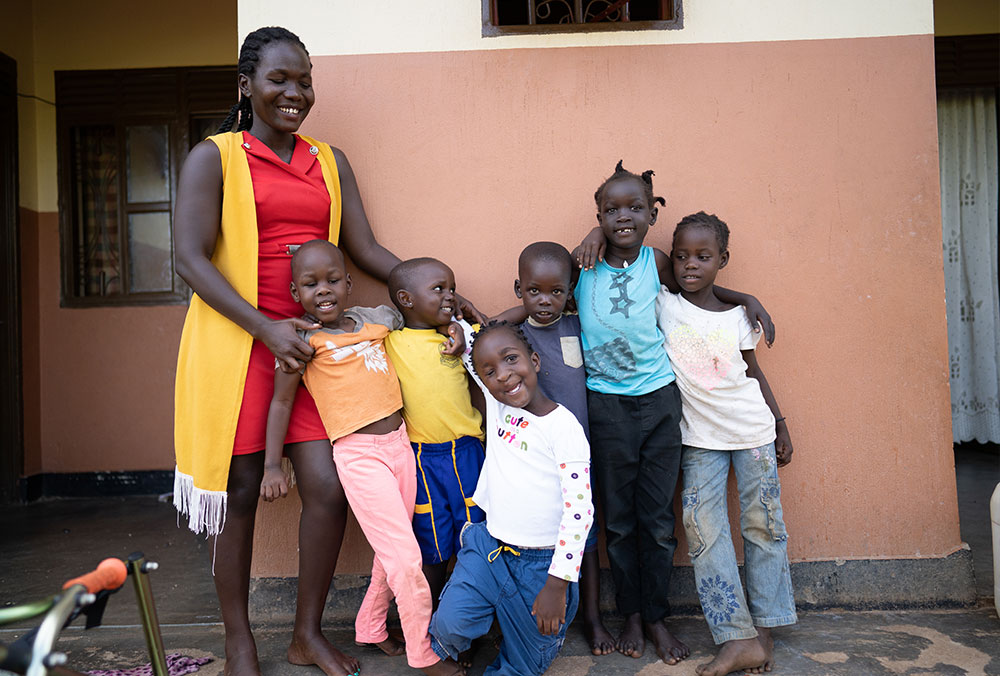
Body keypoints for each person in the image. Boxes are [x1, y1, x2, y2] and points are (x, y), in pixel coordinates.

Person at [172, 27, 474, 676]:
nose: (295, 92)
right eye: (280, 78)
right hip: (240, 345)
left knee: (328, 486)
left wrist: (441, 295)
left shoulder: (328, 161)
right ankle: (239, 641)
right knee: (242, 488)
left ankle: (306, 632)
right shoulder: (215, 157)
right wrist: (265, 327)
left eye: (304, 80)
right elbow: (190, 259)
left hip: (320, 355)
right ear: (247, 85)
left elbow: (365, 250)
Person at [570, 161, 773, 664]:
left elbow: (698, 290)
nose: (623, 217)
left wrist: (744, 295)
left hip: (661, 403)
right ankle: (631, 615)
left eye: (635, 208)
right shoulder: (582, 261)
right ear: (597, 215)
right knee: (619, 521)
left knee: (658, 520)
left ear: (651, 215)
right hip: (608, 405)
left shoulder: (658, 262)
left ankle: (656, 616)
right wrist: (590, 236)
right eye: (611, 210)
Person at [260, 240, 464, 676]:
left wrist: (454, 328)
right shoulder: (301, 342)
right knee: (407, 559)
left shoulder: (378, 318)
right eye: (311, 284)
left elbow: (420, 316)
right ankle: (423, 653)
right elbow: (279, 405)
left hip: (401, 446)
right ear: (297, 294)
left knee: (389, 553)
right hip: (359, 457)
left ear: (349, 283)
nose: (324, 290)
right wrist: (272, 466)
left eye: (333, 280)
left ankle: (371, 627)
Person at [656, 212, 796, 676]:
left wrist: (780, 423)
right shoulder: (664, 304)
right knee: (702, 530)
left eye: (703, 256)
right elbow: (633, 255)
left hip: (753, 431)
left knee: (764, 527)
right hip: (699, 439)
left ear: (723, 260)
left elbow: (753, 372)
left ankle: (765, 629)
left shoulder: (740, 317)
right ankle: (736, 636)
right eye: (681, 256)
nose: (689, 265)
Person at [428, 321, 593, 676]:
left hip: (542, 567)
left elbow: (580, 511)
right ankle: (470, 637)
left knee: (524, 667)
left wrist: (557, 583)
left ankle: (514, 635)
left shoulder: (564, 428)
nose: (503, 375)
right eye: (491, 372)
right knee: (446, 628)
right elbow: (472, 345)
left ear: (534, 360)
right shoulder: (497, 403)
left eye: (511, 360)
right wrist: (458, 320)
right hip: (491, 549)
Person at [511, 242, 614, 656]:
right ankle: (529, 612)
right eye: (534, 291)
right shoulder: (516, 336)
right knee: (538, 537)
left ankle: (592, 617)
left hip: (579, 459)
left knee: (585, 541)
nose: (544, 300)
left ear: (570, 292)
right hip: (533, 464)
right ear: (519, 289)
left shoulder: (577, 327)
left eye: (556, 292)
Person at [379, 258, 486, 641]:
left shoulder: (457, 338)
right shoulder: (388, 343)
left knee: (477, 539)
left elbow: (493, 340)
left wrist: (461, 324)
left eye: (451, 288)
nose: (450, 295)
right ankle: (431, 628)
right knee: (432, 545)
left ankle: (470, 624)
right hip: (420, 460)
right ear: (406, 300)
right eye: (438, 289)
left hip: (468, 453)